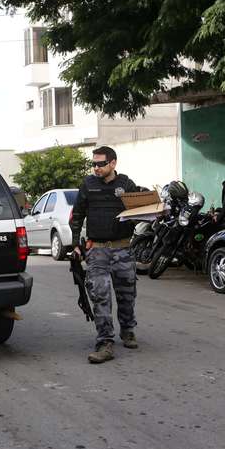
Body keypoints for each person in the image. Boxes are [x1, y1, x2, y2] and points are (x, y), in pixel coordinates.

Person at [70, 146, 141, 364]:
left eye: (100, 164)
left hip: (122, 248)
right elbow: (78, 215)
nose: (96, 168)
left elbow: (140, 208)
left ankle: (127, 329)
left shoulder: (126, 184)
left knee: (126, 295)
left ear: (113, 163)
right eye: (94, 163)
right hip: (97, 250)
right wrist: (75, 245)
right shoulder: (88, 185)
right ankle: (105, 342)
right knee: (100, 295)